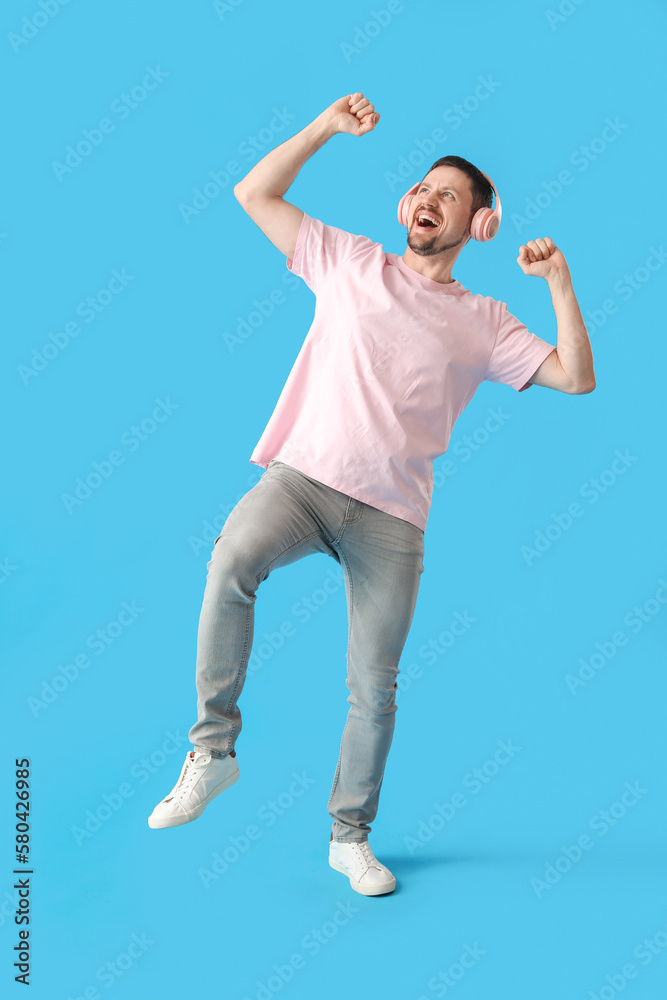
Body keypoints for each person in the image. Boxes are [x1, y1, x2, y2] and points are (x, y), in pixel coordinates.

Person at [148, 93, 596, 896]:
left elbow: (575, 377)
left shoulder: (486, 320)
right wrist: (325, 126)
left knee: (374, 686)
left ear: (480, 224)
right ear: (403, 205)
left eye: (449, 195)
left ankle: (348, 837)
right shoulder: (348, 260)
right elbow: (254, 193)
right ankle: (211, 753)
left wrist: (558, 281)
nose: (429, 198)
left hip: (392, 518)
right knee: (230, 563)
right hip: (303, 480)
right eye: (422, 187)